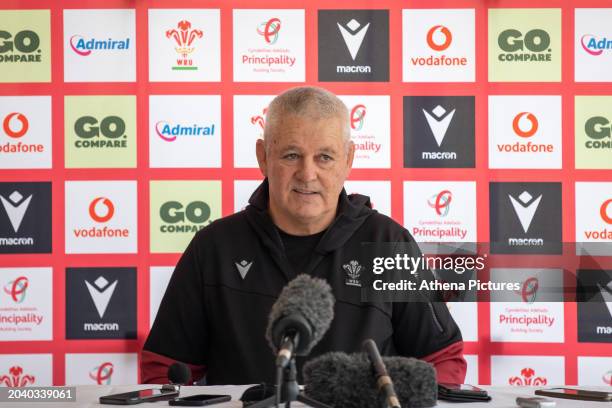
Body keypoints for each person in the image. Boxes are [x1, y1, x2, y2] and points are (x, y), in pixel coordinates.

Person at [142, 86, 466, 385]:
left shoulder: (388, 244)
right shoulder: (213, 248)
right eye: (291, 155)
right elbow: (164, 370)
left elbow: (442, 361)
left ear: (348, 160)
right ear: (263, 157)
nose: (307, 174)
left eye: (324, 157)